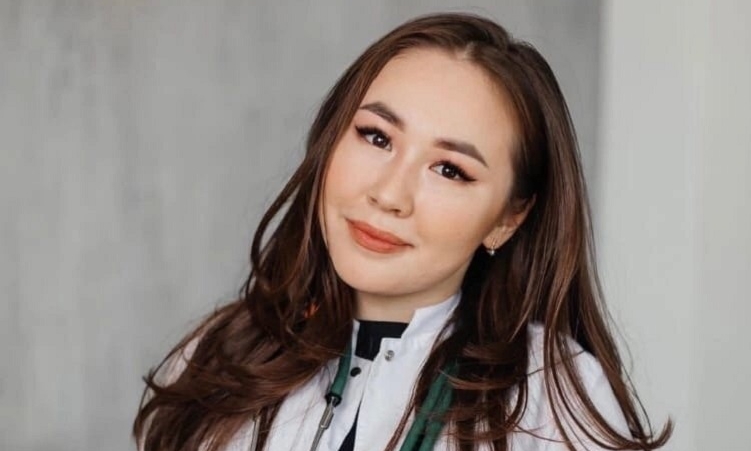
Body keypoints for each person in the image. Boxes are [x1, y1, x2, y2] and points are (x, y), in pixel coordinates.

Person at [133, 12, 672, 451]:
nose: (389, 194)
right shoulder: (221, 354)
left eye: (450, 170)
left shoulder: (550, 397)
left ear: (509, 217)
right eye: (376, 137)